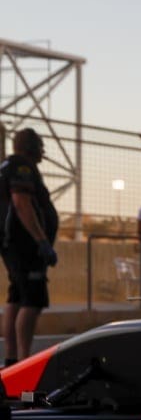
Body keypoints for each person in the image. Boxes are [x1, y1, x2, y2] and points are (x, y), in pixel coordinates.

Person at [0, 128, 58, 366]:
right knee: (33, 300)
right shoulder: (22, 166)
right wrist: (41, 240)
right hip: (25, 244)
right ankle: (24, 361)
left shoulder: (5, 166)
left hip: (11, 243)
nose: (43, 150)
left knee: (17, 297)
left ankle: (12, 359)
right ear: (30, 147)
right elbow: (21, 202)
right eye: (40, 145)